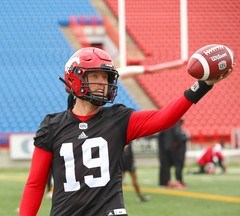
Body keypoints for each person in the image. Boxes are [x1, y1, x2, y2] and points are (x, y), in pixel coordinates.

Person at [19, 47, 233, 216]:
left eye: (106, 78)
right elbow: (36, 183)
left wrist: (203, 85)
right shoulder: (52, 126)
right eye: (96, 77)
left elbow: (164, 118)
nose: (103, 84)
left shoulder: (118, 119)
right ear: (75, 78)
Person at [158, 119, 189, 189]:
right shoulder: (174, 125)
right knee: (174, 166)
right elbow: (179, 137)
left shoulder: (166, 126)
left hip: (165, 149)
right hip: (172, 150)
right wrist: (185, 137)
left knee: (166, 166)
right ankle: (175, 182)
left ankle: (165, 182)